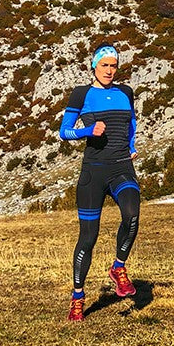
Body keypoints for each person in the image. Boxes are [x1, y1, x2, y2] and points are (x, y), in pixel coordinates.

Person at [57, 43, 140, 322]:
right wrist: (88, 130)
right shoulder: (82, 94)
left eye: (113, 66)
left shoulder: (125, 92)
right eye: (104, 65)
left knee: (132, 214)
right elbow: (64, 132)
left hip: (121, 167)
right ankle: (78, 297)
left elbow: (131, 124)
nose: (109, 70)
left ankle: (118, 267)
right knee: (88, 239)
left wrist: (131, 145)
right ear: (94, 66)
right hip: (93, 172)